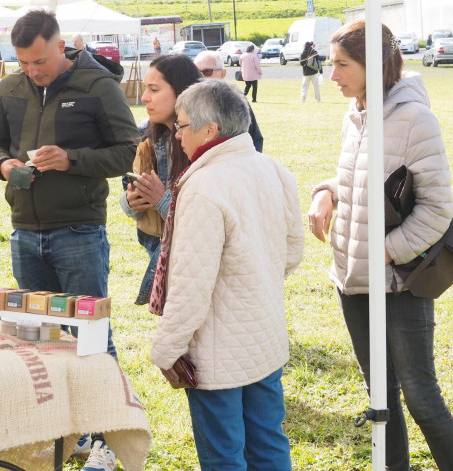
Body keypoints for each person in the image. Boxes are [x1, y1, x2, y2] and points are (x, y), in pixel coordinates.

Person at [307, 20, 453, 471]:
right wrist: (325, 191)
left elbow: (436, 210)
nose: (331, 75)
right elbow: (353, 179)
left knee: (420, 395)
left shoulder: (415, 119)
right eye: (330, 63)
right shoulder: (353, 115)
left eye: (341, 65)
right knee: (381, 396)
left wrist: (386, 251)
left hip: (399, 282)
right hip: (352, 280)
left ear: (373, 64)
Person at [0, 10, 139, 470]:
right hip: (25, 233)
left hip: (79, 231)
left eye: (39, 61)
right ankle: (65, 434)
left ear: (59, 45)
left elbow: (129, 150)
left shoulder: (96, 85)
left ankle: (111, 441)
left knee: (92, 339)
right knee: (42, 340)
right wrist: (4, 166)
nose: (32, 71)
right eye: (24, 63)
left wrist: (71, 160)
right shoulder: (10, 87)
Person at [150, 79, 304, 470]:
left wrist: (166, 351)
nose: (177, 135)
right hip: (263, 338)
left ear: (210, 131)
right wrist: (252, 281)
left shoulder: (203, 186)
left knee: (223, 457)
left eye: (181, 126)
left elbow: (190, 288)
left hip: (216, 355)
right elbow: (291, 253)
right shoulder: (272, 169)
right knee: (269, 443)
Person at [119, 54, 200, 305]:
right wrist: (131, 202)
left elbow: (205, 218)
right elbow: (126, 190)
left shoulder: (207, 137)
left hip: (198, 258)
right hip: (160, 250)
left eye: (154, 89)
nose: (144, 98)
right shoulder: (145, 133)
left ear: (181, 92)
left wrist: (162, 200)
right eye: (145, 88)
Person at [194, 50, 264, 152]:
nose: (201, 77)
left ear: (222, 74)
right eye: (196, 72)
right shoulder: (188, 103)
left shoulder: (235, 100)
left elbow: (255, 138)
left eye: (207, 72)